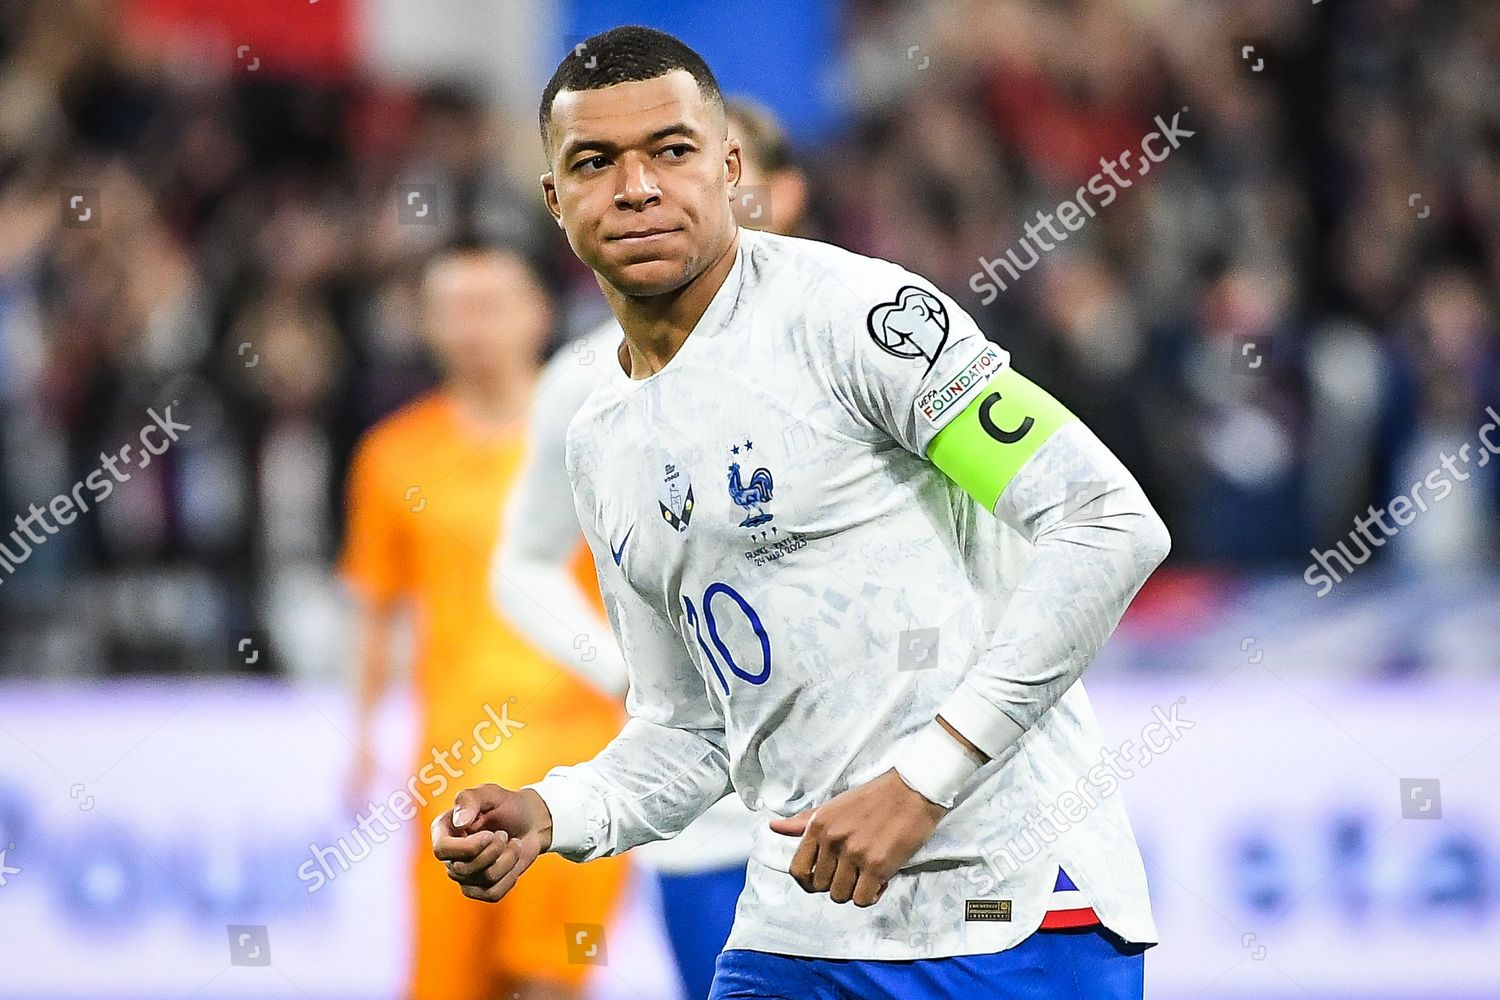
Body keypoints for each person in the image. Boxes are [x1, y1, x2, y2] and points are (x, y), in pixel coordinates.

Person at [433, 26, 1170, 1000]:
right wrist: (553, 811)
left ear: (732, 168)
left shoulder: (860, 320)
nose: (638, 186)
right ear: (555, 198)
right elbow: (692, 730)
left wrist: (923, 783)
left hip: (1011, 907)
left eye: (673, 150)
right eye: (595, 162)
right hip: (797, 925)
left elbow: (1106, 519)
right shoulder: (599, 438)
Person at [489, 96, 808, 1000]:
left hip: (878, 804)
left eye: (688, 161)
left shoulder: (856, 337)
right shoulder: (585, 382)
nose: (656, 194)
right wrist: (625, 676)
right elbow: (520, 562)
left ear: (765, 184)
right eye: (621, 169)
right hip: (710, 816)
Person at [342, 245, 629, 1000]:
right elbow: (376, 605)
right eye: (452, 310)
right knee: (448, 983)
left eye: (492, 305)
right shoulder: (393, 456)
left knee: (555, 977)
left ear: (539, 311)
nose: (473, 329)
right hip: (451, 767)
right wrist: (365, 734)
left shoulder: (601, 432)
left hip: (578, 759)